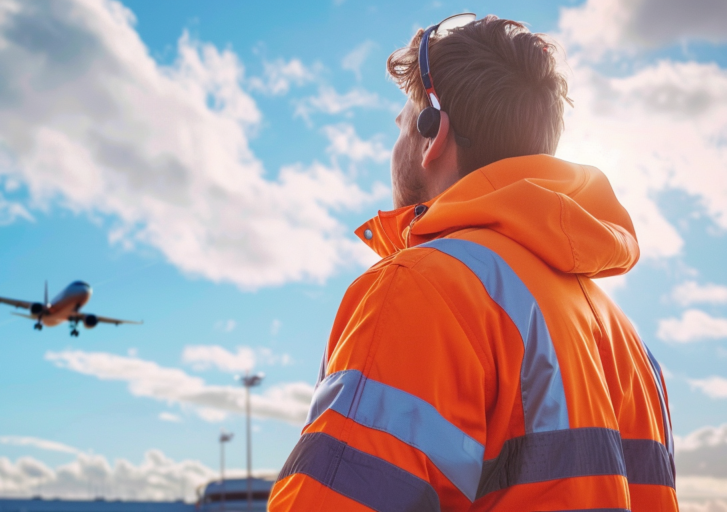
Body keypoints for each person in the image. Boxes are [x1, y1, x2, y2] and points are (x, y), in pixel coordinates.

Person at [268, 14, 678, 512]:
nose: (396, 138)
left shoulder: (426, 288)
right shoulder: (628, 344)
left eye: (402, 122)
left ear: (432, 134)